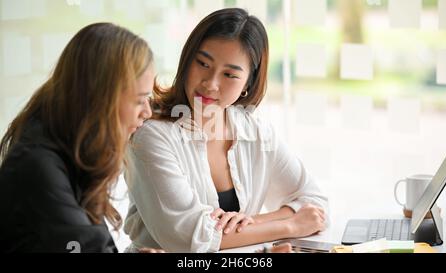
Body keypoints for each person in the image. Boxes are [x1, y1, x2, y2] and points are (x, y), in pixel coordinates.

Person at [124, 8, 328, 253]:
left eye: (229, 74)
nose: (210, 83)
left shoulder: (254, 130)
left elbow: (315, 203)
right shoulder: (151, 136)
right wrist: (291, 226)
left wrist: (254, 221)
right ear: (187, 60)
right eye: (203, 63)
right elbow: (187, 237)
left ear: (247, 83)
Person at [0, 22, 154, 252]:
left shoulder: (63, 146)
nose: (148, 112)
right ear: (102, 99)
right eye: (139, 100)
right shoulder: (37, 167)